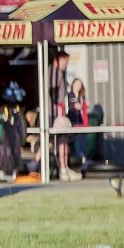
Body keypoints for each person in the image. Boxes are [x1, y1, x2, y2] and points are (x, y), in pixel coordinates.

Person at [49, 49, 81, 181]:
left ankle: (37, 163)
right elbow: (55, 95)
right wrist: (60, 112)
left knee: (52, 141)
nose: (66, 65)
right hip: (54, 114)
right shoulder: (54, 74)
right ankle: (62, 168)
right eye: (65, 62)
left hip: (55, 113)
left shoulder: (54, 73)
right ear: (59, 60)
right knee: (60, 140)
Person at [66, 77, 88, 165]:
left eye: (80, 84)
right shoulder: (70, 95)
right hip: (73, 121)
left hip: (81, 122)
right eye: (76, 84)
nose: (78, 86)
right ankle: (74, 159)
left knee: (82, 141)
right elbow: (71, 107)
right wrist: (76, 106)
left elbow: (84, 107)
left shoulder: (81, 96)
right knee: (73, 141)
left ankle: (83, 159)